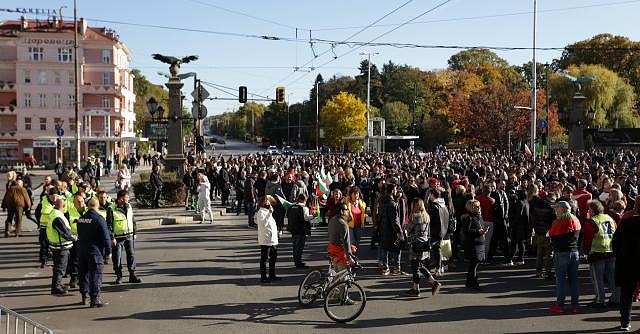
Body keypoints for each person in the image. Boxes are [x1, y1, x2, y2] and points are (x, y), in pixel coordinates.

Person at [582, 200, 619, 308]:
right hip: (611, 251)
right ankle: (616, 298)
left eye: (589, 209)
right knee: (613, 277)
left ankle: (600, 300)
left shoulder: (591, 222)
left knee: (598, 279)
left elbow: (587, 239)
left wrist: (586, 252)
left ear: (592, 210)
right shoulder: (609, 218)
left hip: (597, 253)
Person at [76, 198, 112, 307]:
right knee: (96, 274)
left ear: (88, 206)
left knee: (83, 274)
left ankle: (84, 297)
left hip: (82, 251)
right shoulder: (99, 219)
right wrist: (108, 252)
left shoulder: (81, 219)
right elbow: (106, 237)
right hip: (95, 251)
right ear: (97, 206)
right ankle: (95, 298)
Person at [548, 201, 582, 314]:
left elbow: (551, 236)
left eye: (557, 209)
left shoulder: (559, 222)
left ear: (563, 210)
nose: (555, 211)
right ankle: (576, 305)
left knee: (561, 280)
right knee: (574, 280)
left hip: (562, 253)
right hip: (574, 252)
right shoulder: (576, 219)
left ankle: (560, 305)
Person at [406, 198, 443, 297]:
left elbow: (408, 229)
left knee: (415, 267)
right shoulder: (426, 216)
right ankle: (417, 288)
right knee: (419, 266)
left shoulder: (415, 216)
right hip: (425, 243)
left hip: (416, 244)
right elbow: (428, 232)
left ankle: (428, 285)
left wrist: (407, 224)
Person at [612, 205, 640, 332]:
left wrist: (620, 255)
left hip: (627, 262)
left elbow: (615, 242)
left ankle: (625, 322)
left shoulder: (625, 223)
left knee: (626, 294)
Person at [108, 190, 141, 284]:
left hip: (129, 236)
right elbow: (109, 225)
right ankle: (119, 276)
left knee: (131, 255)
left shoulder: (129, 206)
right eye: (126, 197)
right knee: (117, 257)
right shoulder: (111, 209)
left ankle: (132, 274)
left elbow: (132, 220)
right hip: (117, 238)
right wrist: (112, 237)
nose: (128, 199)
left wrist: (135, 232)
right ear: (120, 199)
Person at [47, 198, 77, 295]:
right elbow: (64, 232)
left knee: (59, 267)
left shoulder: (54, 213)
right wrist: (73, 238)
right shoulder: (58, 217)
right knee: (60, 268)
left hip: (57, 246)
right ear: (63, 206)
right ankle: (56, 287)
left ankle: (58, 284)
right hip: (60, 247)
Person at [378, 183, 404, 276]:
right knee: (397, 248)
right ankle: (397, 268)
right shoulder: (392, 203)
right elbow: (395, 219)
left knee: (385, 248)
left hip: (383, 227)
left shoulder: (381, 199)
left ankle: (385, 268)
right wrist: (399, 231)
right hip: (391, 229)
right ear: (393, 190)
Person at [462, 199, 487, 290]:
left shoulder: (479, 216)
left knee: (474, 264)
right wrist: (478, 232)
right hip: (473, 244)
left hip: (480, 242)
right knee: (474, 264)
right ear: (472, 208)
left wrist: (482, 231)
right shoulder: (469, 218)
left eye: (479, 206)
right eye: (477, 206)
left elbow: (480, 227)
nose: (479, 208)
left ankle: (469, 282)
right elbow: (466, 231)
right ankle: (474, 282)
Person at [256, 195, 280, 284]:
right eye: (266, 201)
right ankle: (263, 277)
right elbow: (263, 224)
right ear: (262, 202)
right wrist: (269, 213)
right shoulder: (261, 212)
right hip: (265, 240)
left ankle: (272, 274)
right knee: (264, 259)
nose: (268, 203)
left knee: (273, 258)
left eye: (268, 201)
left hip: (273, 239)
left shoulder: (268, 211)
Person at [327, 202, 357, 274]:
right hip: (340, 253)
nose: (348, 211)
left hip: (332, 249)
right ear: (341, 211)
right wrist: (350, 258)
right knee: (343, 278)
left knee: (335, 275)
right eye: (346, 209)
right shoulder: (343, 224)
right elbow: (346, 242)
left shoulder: (332, 219)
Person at [427, 187, 450, 276]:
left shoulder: (433, 206)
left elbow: (430, 220)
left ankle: (437, 268)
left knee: (433, 250)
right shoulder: (443, 204)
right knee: (438, 250)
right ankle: (439, 268)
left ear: (432, 195)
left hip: (434, 231)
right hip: (443, 231)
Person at [287, 193, 312, 268]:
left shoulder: (291, 206)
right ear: (305, 200)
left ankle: (296, 261)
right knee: (300, 246)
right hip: (301, 229)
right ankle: (298, 262)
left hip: (293, 228)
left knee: (295, 246)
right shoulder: (304, 208)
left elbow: (287, 215)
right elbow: (306, 218)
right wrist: (313, 216)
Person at [39, 187, 60, 268]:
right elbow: (38, 213)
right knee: (44, 244)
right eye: (52, 196)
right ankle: (43, 260)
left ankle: (55, 261)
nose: (54, 198)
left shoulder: (60, 201)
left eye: (56, 196)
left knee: (54, 245)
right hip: (44, 227)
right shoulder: (44, 202)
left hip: (55, 227)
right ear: (49, 196)